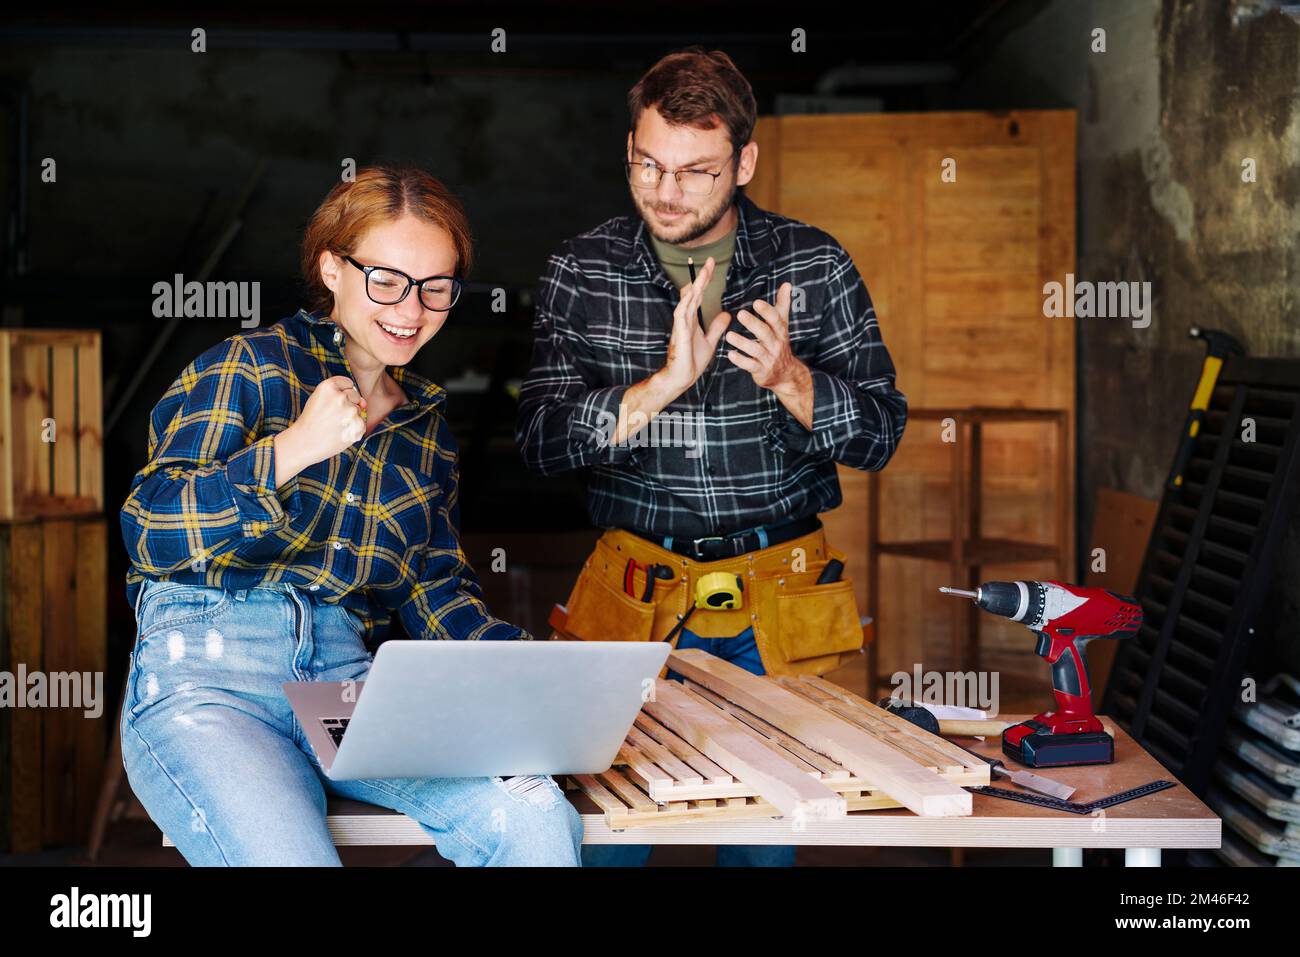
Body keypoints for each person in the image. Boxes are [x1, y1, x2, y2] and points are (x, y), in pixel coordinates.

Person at [120, 166, 584, 866]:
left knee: (533, 818)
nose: (412, 308)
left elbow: (436, 595)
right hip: (210, 679)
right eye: (388, 279)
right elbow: (149, 528)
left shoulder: (425, 431)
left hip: (344, 686)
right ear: (332, 267)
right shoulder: (249, 369)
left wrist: (528, 678)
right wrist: (290, 450)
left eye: (436, 287)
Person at [517, 48, 907, 867]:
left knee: (764, 846)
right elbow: (541, 443)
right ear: (629, 149)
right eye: (649, 165)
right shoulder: (579, 271)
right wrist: (659, 386)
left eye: (695, 171)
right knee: (609, 843)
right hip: (631, 603)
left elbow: (882, 434)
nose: (666, 192)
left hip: (778, 602)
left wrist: (795, 381)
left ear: (744, 162)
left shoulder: (814, 263)